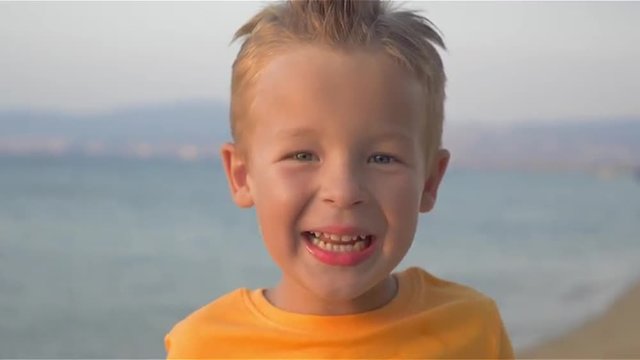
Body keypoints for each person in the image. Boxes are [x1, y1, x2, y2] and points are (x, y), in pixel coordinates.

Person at [165, 0, 514, 358]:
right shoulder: (204, 348)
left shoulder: (472, 329)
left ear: (429, 181)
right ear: (241, 175)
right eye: (302, 155)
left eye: (382, 158)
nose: (344, 192)